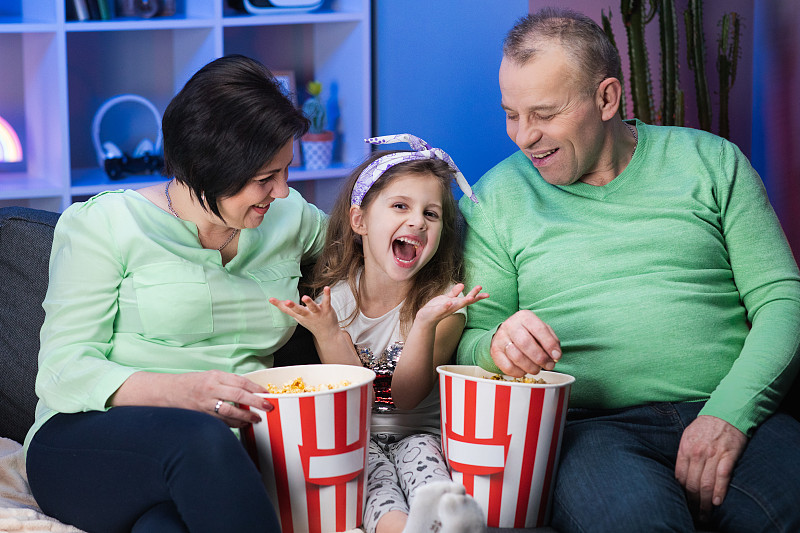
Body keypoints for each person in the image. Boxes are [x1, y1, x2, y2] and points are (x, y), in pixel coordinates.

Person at [457, 7, 800, 533]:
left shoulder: (712, 162)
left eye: (544, 113)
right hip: (593, 432)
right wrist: (499, 346)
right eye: (511, 113)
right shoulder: (493, 199)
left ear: (607, 98)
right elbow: (472, 340)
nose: (523, 137)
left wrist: (728, 415)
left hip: (732, 408)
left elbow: (782, 301)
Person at [24, 55, 327, 532]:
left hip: (215, 461)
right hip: (86, 440)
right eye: (264, 179)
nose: (283, 192)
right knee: (201, 438)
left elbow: (364, 247)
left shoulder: (290, 220)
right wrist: (182, 392)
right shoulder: (105, 224)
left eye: (286, 171)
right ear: (208, 167)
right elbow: (63, 372)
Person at [270, 134, 488, 533]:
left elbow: (405, 398)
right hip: (358, 436)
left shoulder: (443, 306)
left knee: (424, 461)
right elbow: (359, 397)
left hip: (419, 431)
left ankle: (446, 519)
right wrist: (328, 331)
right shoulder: (332, 299)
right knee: (370, 479)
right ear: (360, 221)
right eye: (400, 206)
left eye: (432, 214)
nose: (417, 221)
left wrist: (424, 323)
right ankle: (402, 528)